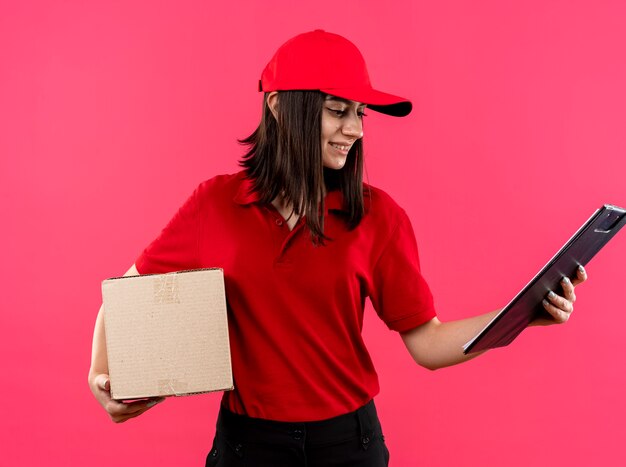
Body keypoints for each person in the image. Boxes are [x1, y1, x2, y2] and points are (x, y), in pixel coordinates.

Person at [88, 30, 587, 467]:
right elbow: (125, 296)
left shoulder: (379, 216)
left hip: (349, 444)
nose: (357, 129)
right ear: (280, 107)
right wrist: (100, 374)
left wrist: (518, 316)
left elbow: (428, 345)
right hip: (247, 446)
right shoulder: (214, 204)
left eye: (360, 112)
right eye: (337, 111)